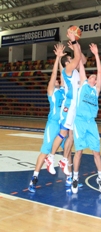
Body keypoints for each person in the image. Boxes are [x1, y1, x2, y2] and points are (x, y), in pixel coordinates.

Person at [28, 43, 66, 192]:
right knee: (45, 151)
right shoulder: (51, 91)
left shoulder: (63, 90)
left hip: (64, 124)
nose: (57, 80)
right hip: (53, 124)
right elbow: (54, 75)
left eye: (58, 81)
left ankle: (69, 178)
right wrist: (57, 59)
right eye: (56, 81)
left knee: (67, 150)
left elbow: (64, 76)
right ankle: (34, 177)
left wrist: (62, 60)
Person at [44, 28, 81, 181]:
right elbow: (78, 58)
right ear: (68, 62)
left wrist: (60, 56)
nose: (73, 60)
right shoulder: (69, 68)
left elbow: (78, 59)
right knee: (64, 133)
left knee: (71, 135)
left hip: (74, 106)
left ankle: (64, 160)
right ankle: (50, 157)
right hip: (69, 105)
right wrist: (74, 40)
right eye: (70, 59)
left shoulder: (69, 70)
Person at [71, 43, 101, 194]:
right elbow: (79, 62)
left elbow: (100, 70)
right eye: (92, 76)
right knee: (79, 152)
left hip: (91, 123)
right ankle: (75, 177)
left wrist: (97, 54)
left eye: (94, 76)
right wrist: (75, 47)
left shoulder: (96, 90)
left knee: (96, 152)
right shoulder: (83, 84)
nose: (93, 76)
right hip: (79, 121)